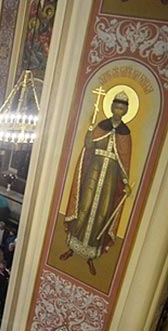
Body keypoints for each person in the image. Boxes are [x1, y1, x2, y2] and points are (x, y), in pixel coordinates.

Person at [60, 91, 132, 276]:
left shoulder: (126, 133)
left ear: (126, 110)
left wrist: (125, 182)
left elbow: (125, 161)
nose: (119, 110)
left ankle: (91, 255)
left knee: (102, 212)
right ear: (111, 107)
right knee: (84, 206)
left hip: (110, 177)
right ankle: (72, 245)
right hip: (94, 170)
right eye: (116, 106)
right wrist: (90, 132)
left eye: (122, 107)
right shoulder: (102, 125)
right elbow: (89, 146)